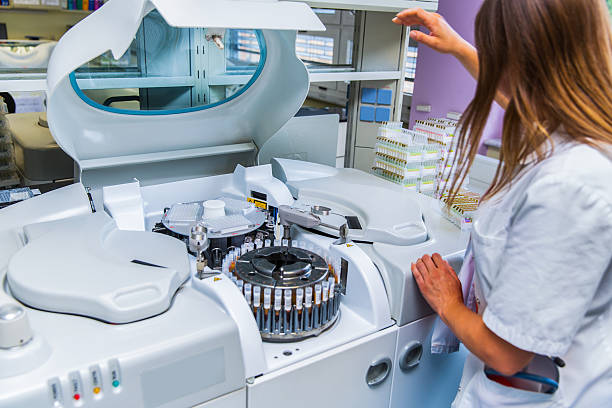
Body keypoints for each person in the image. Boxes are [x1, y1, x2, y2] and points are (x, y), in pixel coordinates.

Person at [393, 1, 612, 407]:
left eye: (495, 52)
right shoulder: (588, 125)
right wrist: (458, 47)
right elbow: (522, 99)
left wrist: (448, 301)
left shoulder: (568, 187)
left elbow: (506, 353)